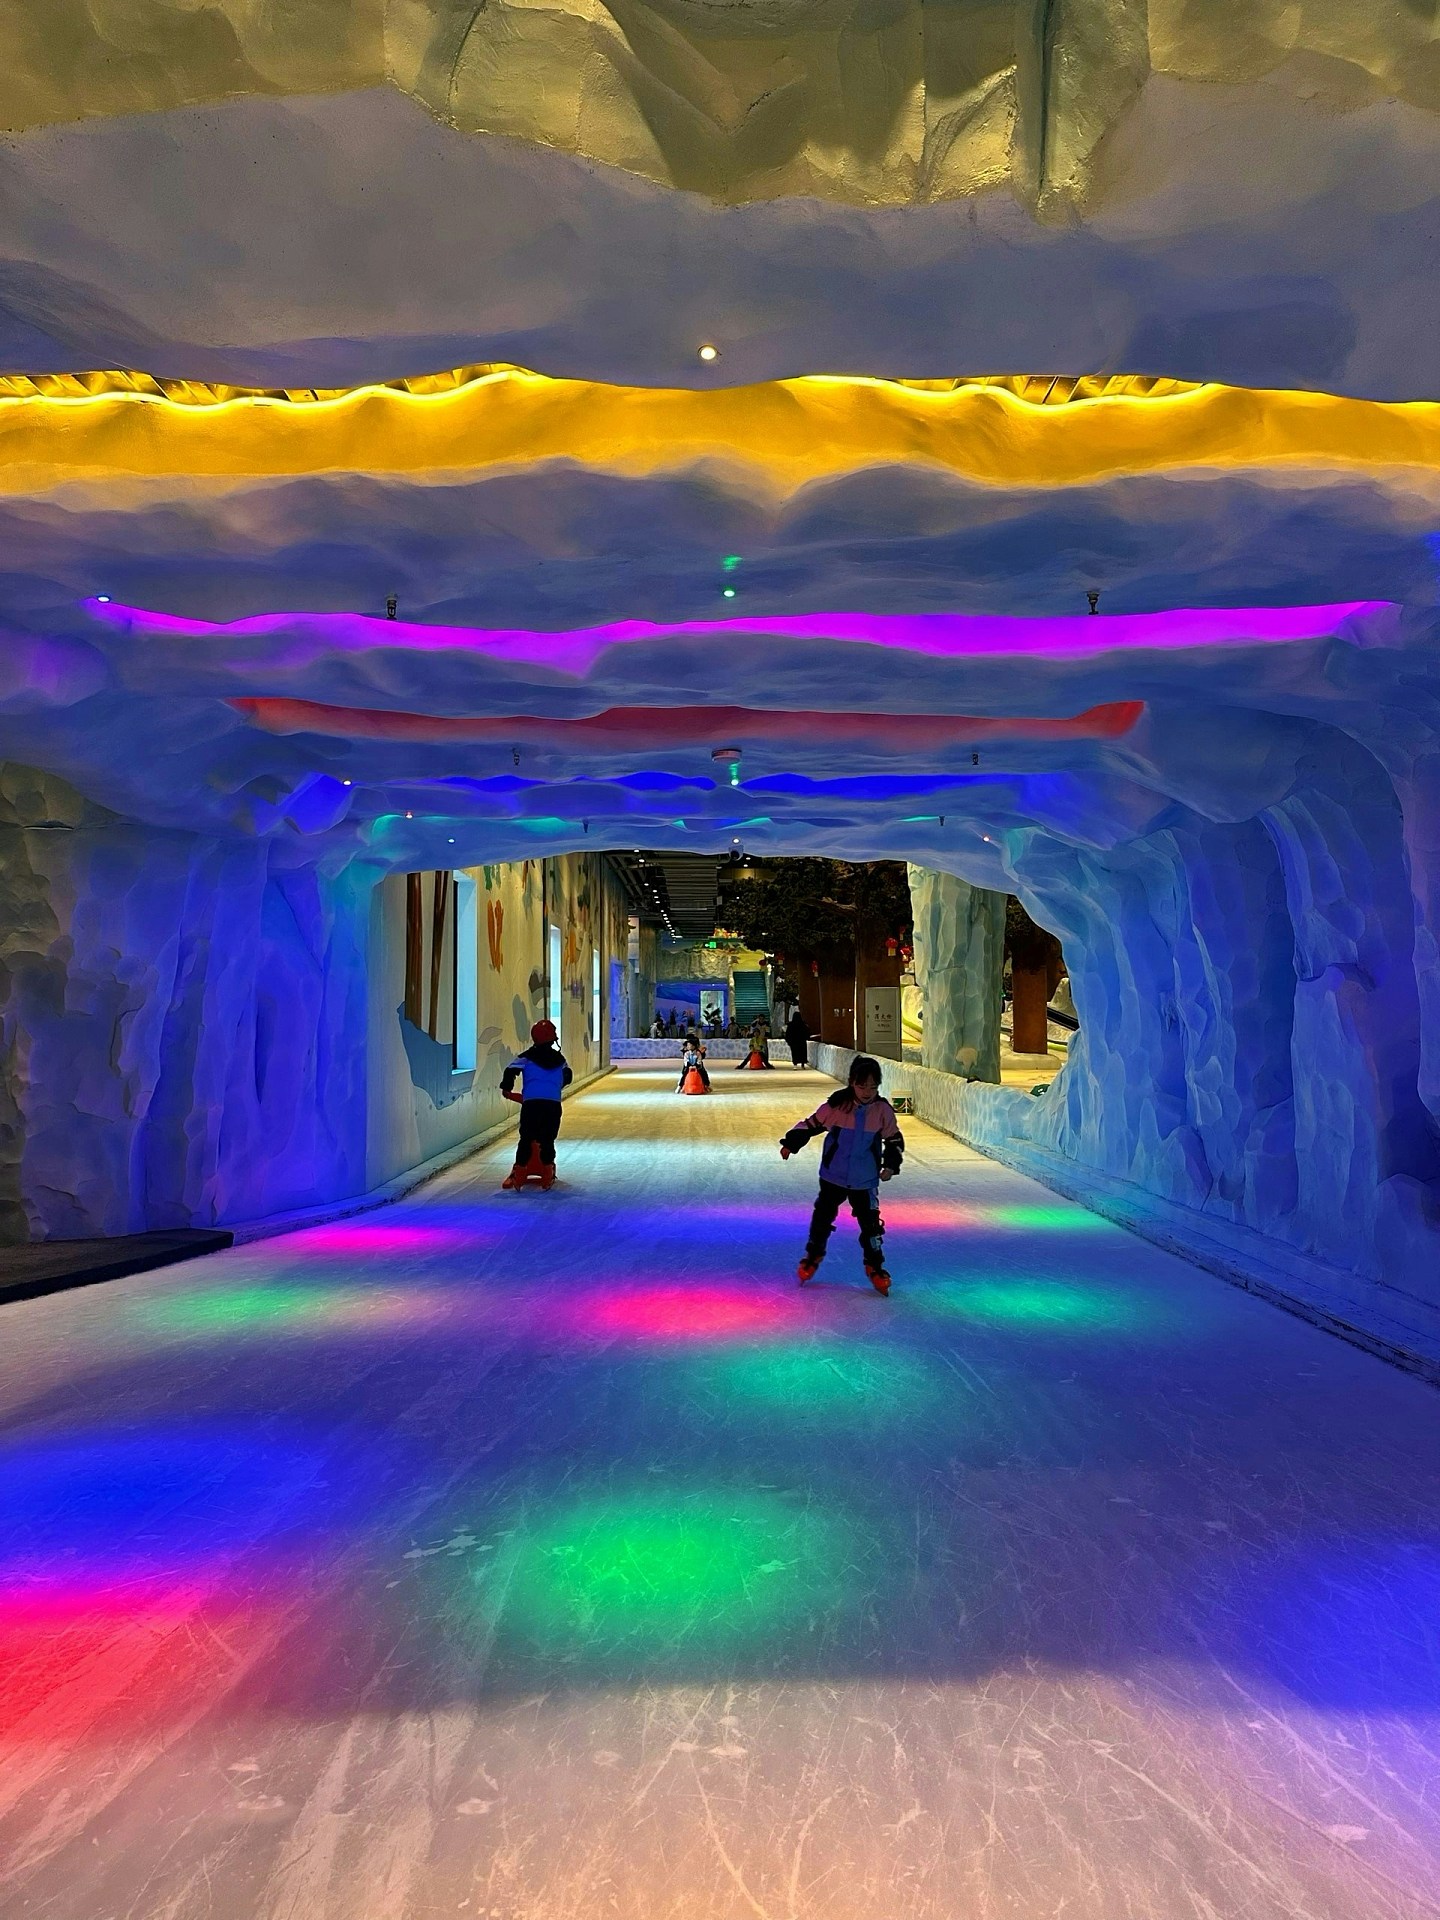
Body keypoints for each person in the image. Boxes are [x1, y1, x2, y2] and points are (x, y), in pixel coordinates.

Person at [779, 1054, 904, 1294]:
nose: (867, 1091)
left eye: (873, 1086)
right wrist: (790, 1144)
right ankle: (812, 1256)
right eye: (861, 1085)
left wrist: (890, 1164)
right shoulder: (837, 1106)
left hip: (864, 1180)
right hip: (833, 1176)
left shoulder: (882, 1111)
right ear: (851, 1082)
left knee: (870, 1227)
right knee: (822, 1219)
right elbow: (810, 1124)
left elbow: (894, 1138)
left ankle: (875, 1266)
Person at [499, 1018, 573, 1189]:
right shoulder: (560, 1059)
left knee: (526, 1137)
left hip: (531, 1104)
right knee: (547, 1139)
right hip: (552, 1104)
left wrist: (506, 1088)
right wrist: (556, 1086)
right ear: (553, 1039)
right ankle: (547, 1171)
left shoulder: (527, 1057)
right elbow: (568, 1075)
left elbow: (510, 1071)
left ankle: (520, 1170)